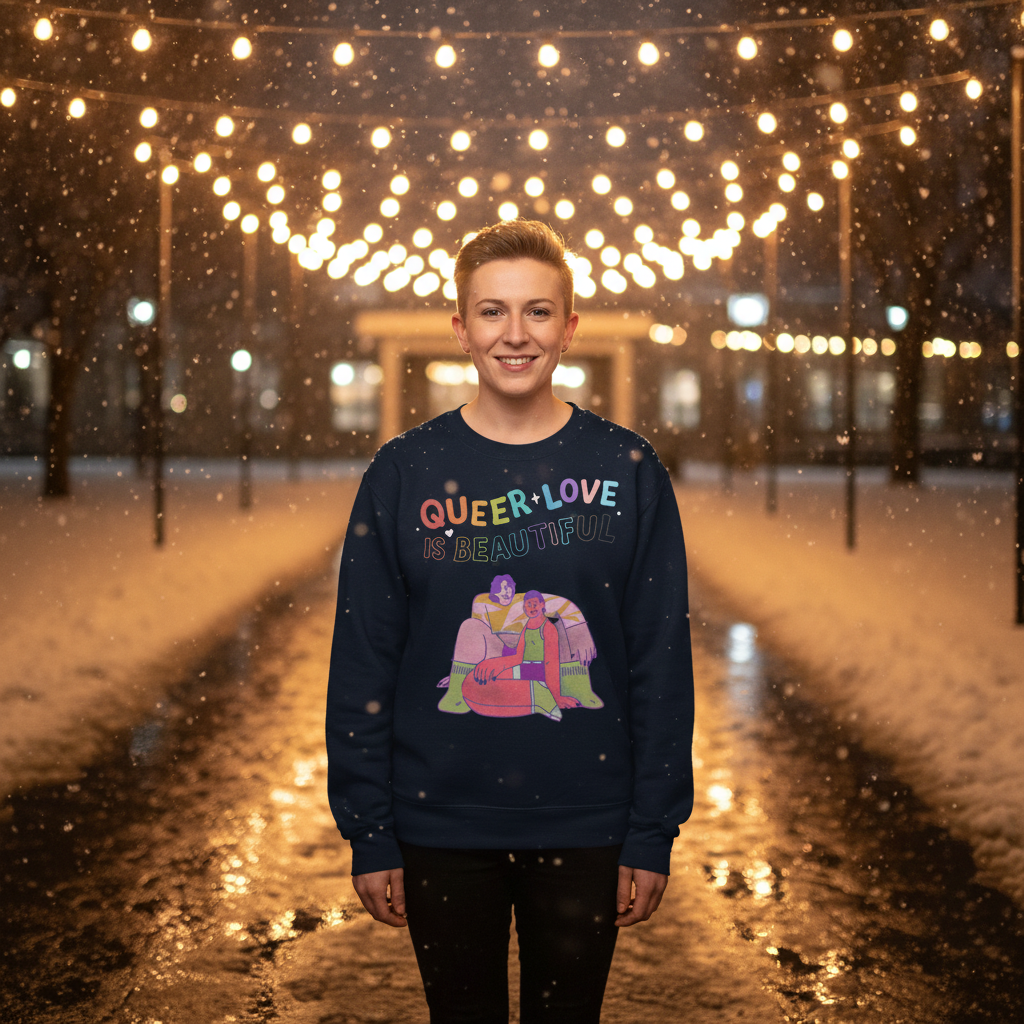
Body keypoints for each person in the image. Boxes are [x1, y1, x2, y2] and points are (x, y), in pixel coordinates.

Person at [326, 219, 694, 1023]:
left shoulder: (626, 469)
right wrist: (370, 828)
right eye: (492, 312)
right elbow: (364, 659)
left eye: (537, 311)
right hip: (439, 822)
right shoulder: (403, 472)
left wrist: (650, 830)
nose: (515, 334)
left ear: (570, 325)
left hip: (587, 822)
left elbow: (660, 660)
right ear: (460, 328)